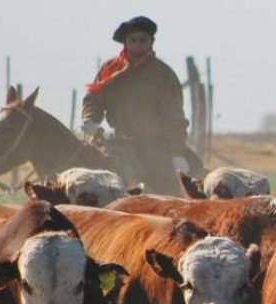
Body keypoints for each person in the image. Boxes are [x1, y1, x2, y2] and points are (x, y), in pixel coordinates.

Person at [81, 16, 202, 193]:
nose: (137, 45)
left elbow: (174, 117)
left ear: (151, 42)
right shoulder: (110, 69)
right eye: (133, 40)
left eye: (142, 41)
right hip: (114, 143)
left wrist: (177, 152)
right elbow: (94, 98)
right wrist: (90, 119)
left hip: (153, 147)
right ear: (125, 42)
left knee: (171, 192)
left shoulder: (163, 74)